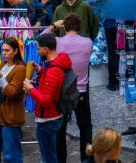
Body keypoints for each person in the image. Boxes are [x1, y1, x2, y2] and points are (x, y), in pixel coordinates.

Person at [50, 14, 93, 163]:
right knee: (85, 127)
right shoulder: (88, 42)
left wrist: (54, 25)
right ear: (79, 27)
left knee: (60, 131)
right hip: (81, 91)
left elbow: (41, 38)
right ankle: (86, 159)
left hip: (64, 91)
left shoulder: (58, 42)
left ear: (65, 27)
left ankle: (61, 160)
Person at [25, 34, 72, 163]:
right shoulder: (56, 64)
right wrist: (40, 71)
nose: (37, 51)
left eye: (38, 48)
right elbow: (52, 85)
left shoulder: (53, 70)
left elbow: (46, 100)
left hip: (48, 119)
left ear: (46, 50)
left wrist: (30, 89)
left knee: (48, 158)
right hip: (55, 115)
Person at [0, 37, 27, 163]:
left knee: (11, 154)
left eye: (7, 50)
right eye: (3, 50)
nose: (4, 53)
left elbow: (13, 92)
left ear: (15, 51)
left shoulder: (20, 69)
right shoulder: (2, 65)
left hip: (12, 116)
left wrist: (1, 79)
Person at [100, 0, 127, 91]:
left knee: (112, 54)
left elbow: (102, 8)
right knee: (125, 52)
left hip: (109, 24)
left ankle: (112, 83)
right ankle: (125, 82)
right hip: (123, 25)